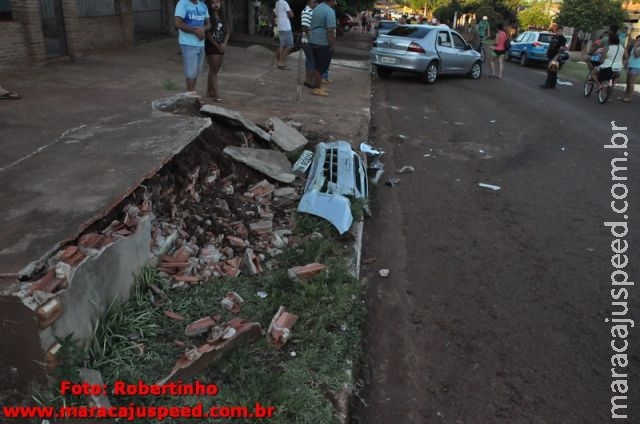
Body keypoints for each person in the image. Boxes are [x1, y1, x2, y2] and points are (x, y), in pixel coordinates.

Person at [175, 0, 210, 92]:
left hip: (200, 43)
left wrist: (202, 29)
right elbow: (178, 23)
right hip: (188, 43)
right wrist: (195, 31)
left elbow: (209, 24)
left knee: (196, 72)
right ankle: (190, 96)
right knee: (191, 73)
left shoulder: (203, 5)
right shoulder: (183, 3)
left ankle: (192, 94)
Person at [309, 0, 337, 97]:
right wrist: (332, 45)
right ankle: (317, 88)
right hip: (323, 42)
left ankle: (317, 86)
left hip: (313, 39)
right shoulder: (329, 11)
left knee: (316, 64)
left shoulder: (317, 8)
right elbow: (330, 30)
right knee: (321, 67)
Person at [204, 0, 229, 101]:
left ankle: (209, 91)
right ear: (209, 5)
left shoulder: (223, 16)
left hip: (221, 45)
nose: (215, 4)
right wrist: (216, 44)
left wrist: (224, 44)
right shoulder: (208, 17)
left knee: (214, 69)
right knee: (214, 68)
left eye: (217, 2)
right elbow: (207, 33)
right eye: (213, 2)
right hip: (211, 45)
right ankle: (217, 94)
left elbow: (228, 31)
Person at [301, 0, 318, 88]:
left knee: (309, 61)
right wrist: (311, 39)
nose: (315, 4)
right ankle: (310, 82)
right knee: (312, 62)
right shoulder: (307, 11)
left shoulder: (310, 11)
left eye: (316, 2)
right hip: (307, 41)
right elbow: (305, 27)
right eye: (313, 2)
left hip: (308, 40)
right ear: (308, 2)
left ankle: (307, 80)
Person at [274, 0, 293, 69]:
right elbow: (291, 14)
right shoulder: (285, 2)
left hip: (280, 26)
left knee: (282, 45)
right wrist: (290, 9)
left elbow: (276, 13)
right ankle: (281, 62)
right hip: (286, 26)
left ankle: (277, 62)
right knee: (290, 45)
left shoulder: (277, 2)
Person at [621, 35, 640, 102]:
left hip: (636, 67)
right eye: (637, 40)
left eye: (639, 40)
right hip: (630, 66)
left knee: (631, 82)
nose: (638, 41)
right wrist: (626, 64)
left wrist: (635, 47)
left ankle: (629, 97)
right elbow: (630, 57)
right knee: (628, 82)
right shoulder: (633, 47)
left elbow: (636, 55)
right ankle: (625, 96)